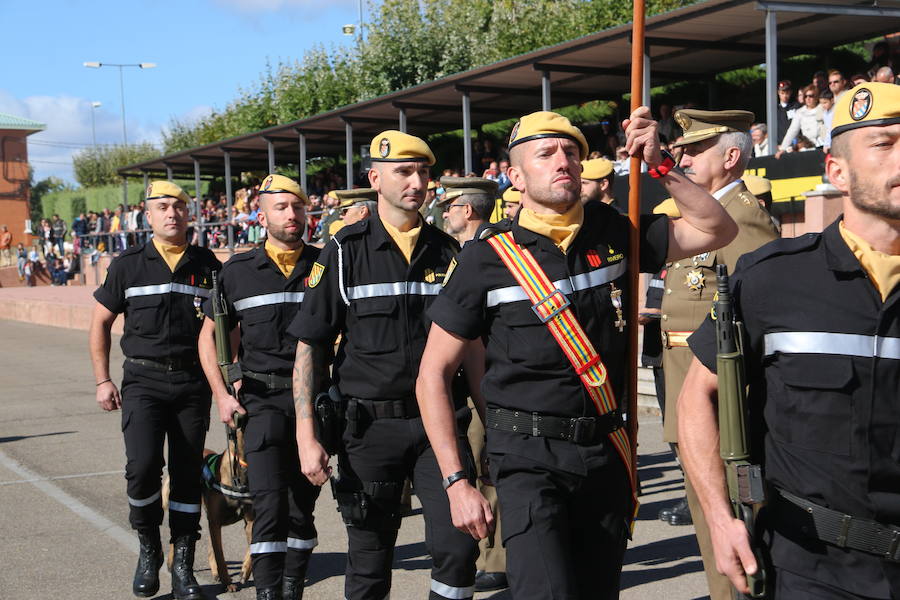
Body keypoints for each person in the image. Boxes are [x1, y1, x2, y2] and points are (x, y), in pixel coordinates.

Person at [415, 109, 738, 600]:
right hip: (527, 459)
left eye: (571, 152)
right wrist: (457, 481)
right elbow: (433, 375)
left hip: (604, 453)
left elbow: (716, 230)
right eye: (545, 154)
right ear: (516, 177)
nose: (563, 161)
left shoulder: (615, 229)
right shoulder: (486, 257)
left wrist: (661, 165)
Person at [678, 81, 900, 600]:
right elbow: (697, 396)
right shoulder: (773, 280)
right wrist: (719, 516)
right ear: (836, 171)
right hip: (808, 568)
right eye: (884, 143)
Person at [290, 130, 480, 600]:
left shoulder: (449, 253)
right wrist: (306, 432)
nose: (416, 181)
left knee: (459, 547)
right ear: (375, 178)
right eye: (403, 171)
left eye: (423, 172)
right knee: (370, 560)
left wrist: (491, 421)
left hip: (439, 427)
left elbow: (472, 346)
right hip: (368, 429)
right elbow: (310, 344)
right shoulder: (343, 250)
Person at [661, 108, 780, 600]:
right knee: (714, 540)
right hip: (690, 400)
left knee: (731, 546)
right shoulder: (705, 214)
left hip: (721, 413)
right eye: (681, 149)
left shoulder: (743, 218)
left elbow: (757, 317)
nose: (682, 156)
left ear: (732, 157)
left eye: (694, 149)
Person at [89, 180, 221, 600]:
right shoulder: (128, 264)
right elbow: (100, 324)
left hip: (192, 383)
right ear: (148, 215)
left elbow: (225, 329)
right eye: (162, 207)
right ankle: (148, 550)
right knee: (143, 468)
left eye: (179, 207)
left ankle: (182, 564)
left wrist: (226, 380)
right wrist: (103, 379)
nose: (172, 214)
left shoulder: (208, 265)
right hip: (143, 382)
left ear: (189, 213)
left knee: (186, 475)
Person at [198, 174, 321, 600]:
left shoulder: (326, 266)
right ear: (262, 215)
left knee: (301, 512)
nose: (292, 216)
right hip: (262, 403)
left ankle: (292, 585)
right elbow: (210, 339)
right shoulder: (237, 272)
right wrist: (221, 394)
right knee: (267, 505)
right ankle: (268, 592)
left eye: (298, 207)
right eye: (282, 208)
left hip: (315, 408)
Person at [439, 176, 498, 245]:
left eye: (449, 208)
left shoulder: (472, 253)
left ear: (467, 210)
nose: (445, 215)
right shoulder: (501, 246)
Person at [777, 85, 826, 156]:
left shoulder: (822, 109)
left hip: (822, 146)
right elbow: (792, 131)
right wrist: (783, 148)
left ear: (816, 97)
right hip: (808, 147)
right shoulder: (800, 112)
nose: (808, 98)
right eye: (806, 96)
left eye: (811, 96)